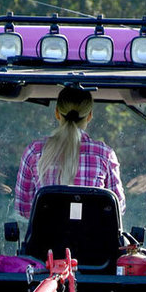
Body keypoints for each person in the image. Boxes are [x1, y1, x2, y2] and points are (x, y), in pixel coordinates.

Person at [14, 87, 126, 219]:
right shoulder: (104, 154)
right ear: (89, 115)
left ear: (57, 113)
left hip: (46, 239)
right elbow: (118, 208)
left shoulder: (34, 152)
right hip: (93, 239)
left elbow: (23, 209)